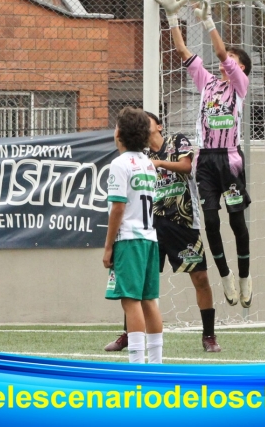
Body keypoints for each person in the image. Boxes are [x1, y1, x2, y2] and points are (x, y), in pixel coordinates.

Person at [153, 0, 253, 308]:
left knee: (237, 223)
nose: (227, 62)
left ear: (240, 70)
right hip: (206, 160)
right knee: (210, 221)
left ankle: (244, 276)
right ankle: (224, 274)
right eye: (229, 59)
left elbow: (224, 55)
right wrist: (172, 17)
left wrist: (209, 23)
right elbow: (183, 50)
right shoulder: (207, 82)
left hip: (231, 160)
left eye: (234, 61)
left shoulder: (239, 86)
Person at [105, 112, 222, 353]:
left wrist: (159, 163)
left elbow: (187, 166)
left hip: (182, 220)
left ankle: (209, 334)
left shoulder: (176, 141)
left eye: (147, 118)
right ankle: (130, 334)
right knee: (140, 288)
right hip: (151, 225)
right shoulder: (140, 156)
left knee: (200, 277)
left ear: (159, 125)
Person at [103, 107, 163, 364]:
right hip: (150, 239)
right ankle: (157, 363)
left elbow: (118, 207)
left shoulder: (119, 164)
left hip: (129, 240)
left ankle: (137, 365)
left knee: (131, 301)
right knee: (149, 300)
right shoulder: (149, 164)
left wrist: (108, 248)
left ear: (119, 133)